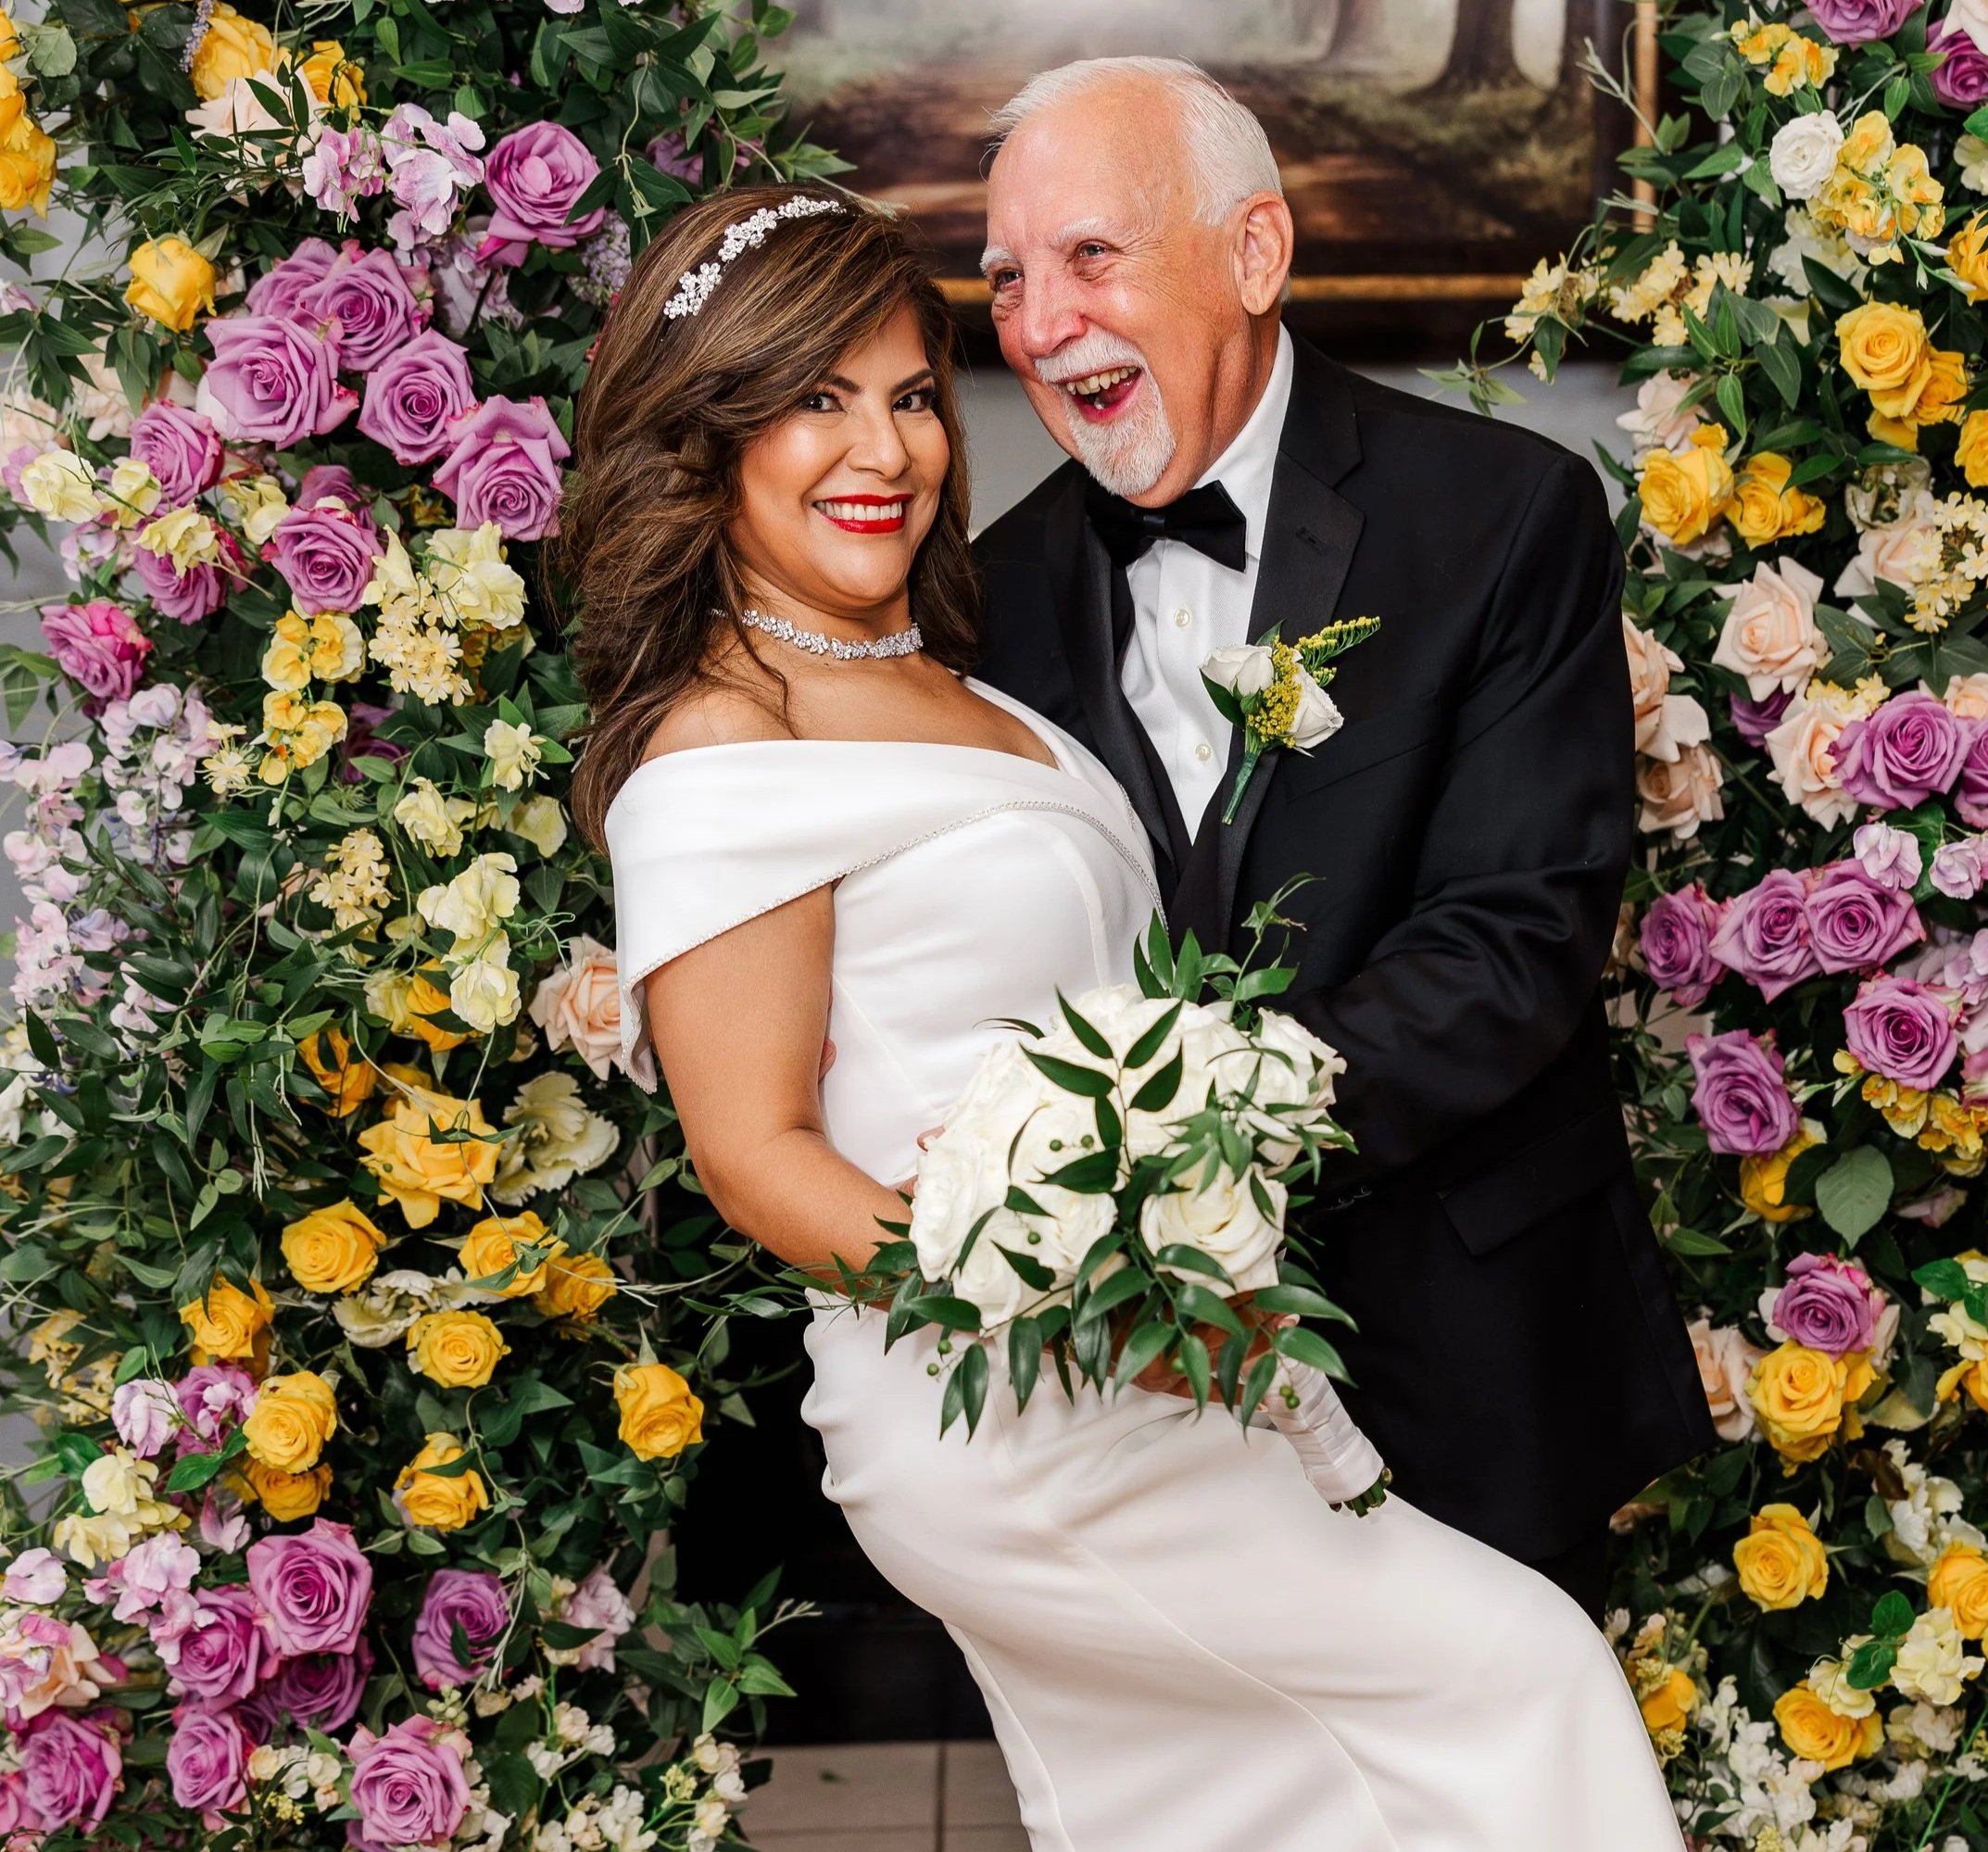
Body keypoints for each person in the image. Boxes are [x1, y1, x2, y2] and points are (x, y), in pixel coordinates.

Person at [570, 186, 1684, 1848]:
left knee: (1260, 1812)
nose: (880, 449)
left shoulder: (948, 664)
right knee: (1522, 1683)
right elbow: (753, 1160)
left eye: (907, 396)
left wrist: (1178, 1241)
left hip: (1152, 1371)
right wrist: (1071, 1291)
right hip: (1006, 1400)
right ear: (709, 434)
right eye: (812, 399)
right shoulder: (722, 746)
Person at [971, 57, 1718, 1622]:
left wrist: (1204, 1142)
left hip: (1466, 1348)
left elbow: (1514, 940)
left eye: (1090, 256)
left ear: (1253, 253)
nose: (1041, 327)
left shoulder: (1507, 516)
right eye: (1007, 280)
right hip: (1124, 1401)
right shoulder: (984, 598)